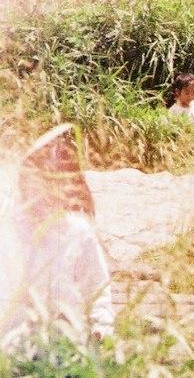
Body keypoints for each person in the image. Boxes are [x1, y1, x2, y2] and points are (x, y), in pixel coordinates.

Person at [0, 124, 115, 349]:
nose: (41, 196)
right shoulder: (8, 228)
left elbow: (99, 290)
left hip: (64, 343)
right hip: (13, 344)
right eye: (36, 184)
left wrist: (101, 328)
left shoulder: (78, 231)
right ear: (24, 181)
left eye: (51, 187)